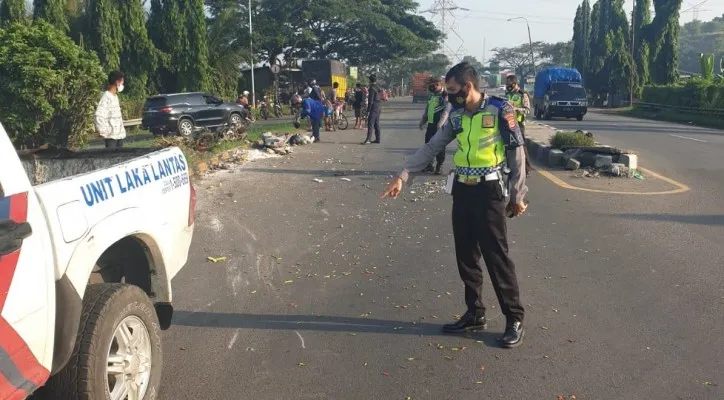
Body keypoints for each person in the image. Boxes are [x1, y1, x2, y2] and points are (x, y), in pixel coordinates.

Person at [381, 62, 529, 348]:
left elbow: (517, 154)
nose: (449, 95)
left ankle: (514, 317)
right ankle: (475, 313)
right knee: (466, 256)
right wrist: (403, 175)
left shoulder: (500, 110)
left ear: (468, 86)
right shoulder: (457, 116)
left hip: (489, 192)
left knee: (496, 257)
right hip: (462, 190)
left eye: (452, 90)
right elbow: (432, 147)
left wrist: (517, 195)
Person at [418, 76, 450, 174]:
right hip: (431, 124)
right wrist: (423, 121)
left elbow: (446, 111)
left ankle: (439, 166)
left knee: (439, 146)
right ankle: (429, 165)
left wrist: (441, 123)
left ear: (439, 84)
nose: (432, 87)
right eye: (431, 85)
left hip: (440, 125)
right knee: (428, 145)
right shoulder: (432, 95)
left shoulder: (445, 95)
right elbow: (428, 109)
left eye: (434, 85)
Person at [505, 75, 532, 175]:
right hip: (508, 123)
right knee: (507, 146)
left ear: (515, 84)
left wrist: (516, 109)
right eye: (507, 84)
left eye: (510, 84)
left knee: (521, 146)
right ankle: (509, 167)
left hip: (519, 124)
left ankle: (526, 169)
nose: (508, 86)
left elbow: (527, 110)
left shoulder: (522, 95)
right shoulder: (507, 94)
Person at [94, 71, 126, 148]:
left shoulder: (115, 97)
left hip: (119, 135)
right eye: (122, 82)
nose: (122, 85)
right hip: (111, 136)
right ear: (117, 82)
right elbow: (98, 115)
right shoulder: (106, 97)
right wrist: (103, 132)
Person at [362, 75, 382, 144]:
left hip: (374, 107)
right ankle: (378, 139)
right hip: (379, 106)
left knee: (370, 123)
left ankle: (368, 139)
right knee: (376, 124)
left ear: (370, 80)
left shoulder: (372, 88)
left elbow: (370, 101)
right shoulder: (378, 86)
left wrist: (368, 110)